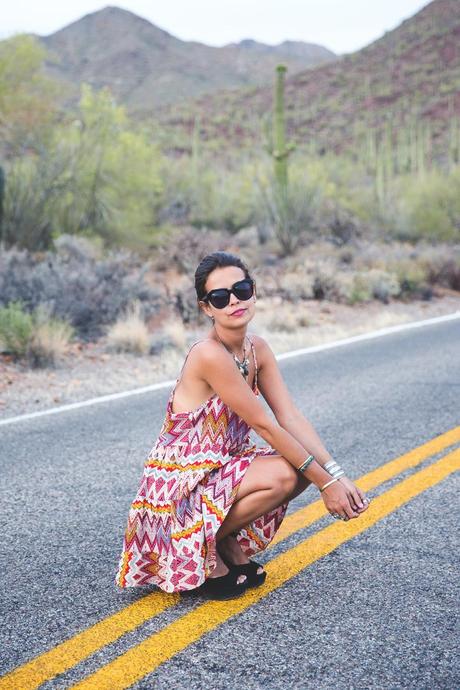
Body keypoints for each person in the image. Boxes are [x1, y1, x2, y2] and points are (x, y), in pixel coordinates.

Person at [115, 251, 370, 600]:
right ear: (207, 308)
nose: (234, 300)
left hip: (221, 465)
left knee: (298, 470)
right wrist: (326, 485)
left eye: (242, 289)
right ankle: (197, 549)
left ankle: (220, 542)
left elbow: (290, 417)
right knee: (289, 472)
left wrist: (335, 475)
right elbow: (265, 425)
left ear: (253, 291)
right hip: (182, 478)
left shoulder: (257, 349)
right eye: (220, 297)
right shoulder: (208, 354)